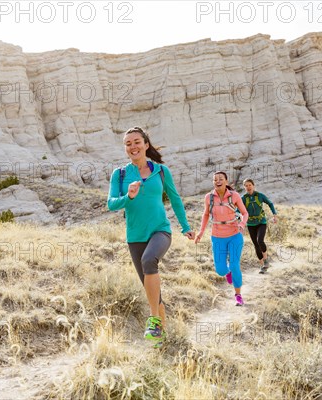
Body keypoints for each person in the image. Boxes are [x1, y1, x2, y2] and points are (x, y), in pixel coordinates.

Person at [107, 126, 195, 348]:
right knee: (152, 289)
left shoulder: (161, 171)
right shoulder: (120, 174)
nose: (133, 146)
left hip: (161, 230)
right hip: (135, 236)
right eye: (128, 144)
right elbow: (111, 204)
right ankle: (161, 338)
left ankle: (153, 320)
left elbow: (175, 199)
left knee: (149, 261)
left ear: (146, 144)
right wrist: (129, 196)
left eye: (137, 142)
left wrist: (185, 227)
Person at [194, 171, 249, 306]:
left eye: (220, 179)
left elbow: (244, 213)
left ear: (226, 181)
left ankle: (238, 295)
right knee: (220, 270)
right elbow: (206, 215)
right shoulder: (209, 197)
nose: (217, 181)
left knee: (235, 265)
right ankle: (228, 272)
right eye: (215, 180)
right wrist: (201, 232)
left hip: (235, 235)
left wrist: (242, 223)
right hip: (217, 236)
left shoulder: (234, 196)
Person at [242, 178, 278, 274]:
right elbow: (239, 209)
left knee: (260, 241)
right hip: (250, 224)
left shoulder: (260, 196)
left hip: (261, 222)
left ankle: (266, 260)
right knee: (256, 245)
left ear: (253, 185)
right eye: (246, 185)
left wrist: (274, 215)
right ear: (244, 187)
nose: (248, 187)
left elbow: (270, 203)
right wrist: (237, 217)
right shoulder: (244, 198)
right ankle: (262, 266)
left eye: (250, 185)